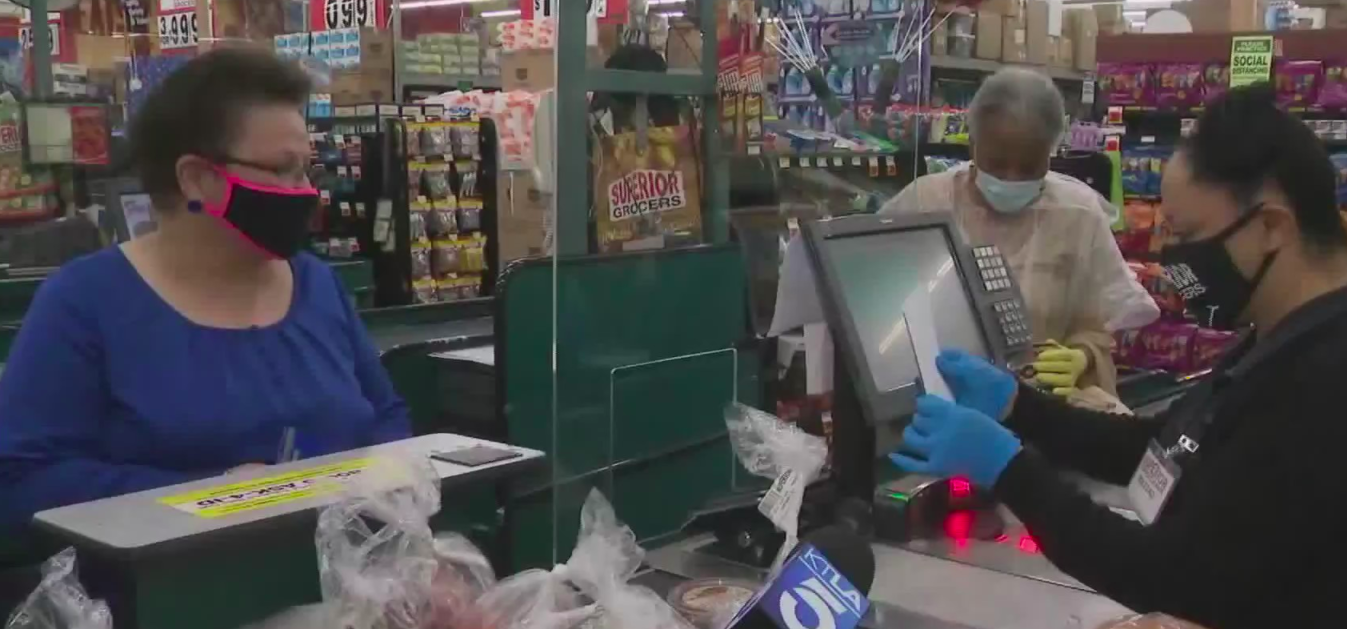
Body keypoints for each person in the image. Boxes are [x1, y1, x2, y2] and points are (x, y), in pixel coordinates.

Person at [890, 84, 1347, 627]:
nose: (1168, 257)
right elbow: (1170, 448)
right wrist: (1020, 408)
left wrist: (1009, 468)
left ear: (1272, 227)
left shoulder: (1322, 384)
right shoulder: (1284, 336)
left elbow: (1168, 574)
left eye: (1188, 234)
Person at [0, 48, 410, 529]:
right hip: (168, 594)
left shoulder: (317, 284)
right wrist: (212, 495)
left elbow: (386, 417)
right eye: (282, 169)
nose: (306, 190)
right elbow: (25, 476)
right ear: (196, 179)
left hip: (348, 583)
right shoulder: (85, 303)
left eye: (306, 169)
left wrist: (400, 522)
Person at [881, 68, 1158, 397]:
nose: (1011, 179)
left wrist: (1082, 357)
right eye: (997, 164)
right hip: (937, 399)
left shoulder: (1077, 215)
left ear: (1051, 153)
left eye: (1028, 167)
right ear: (972, 143)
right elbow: (877, 304)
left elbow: (1098, 321)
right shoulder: (925, 203)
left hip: (1041, 404)